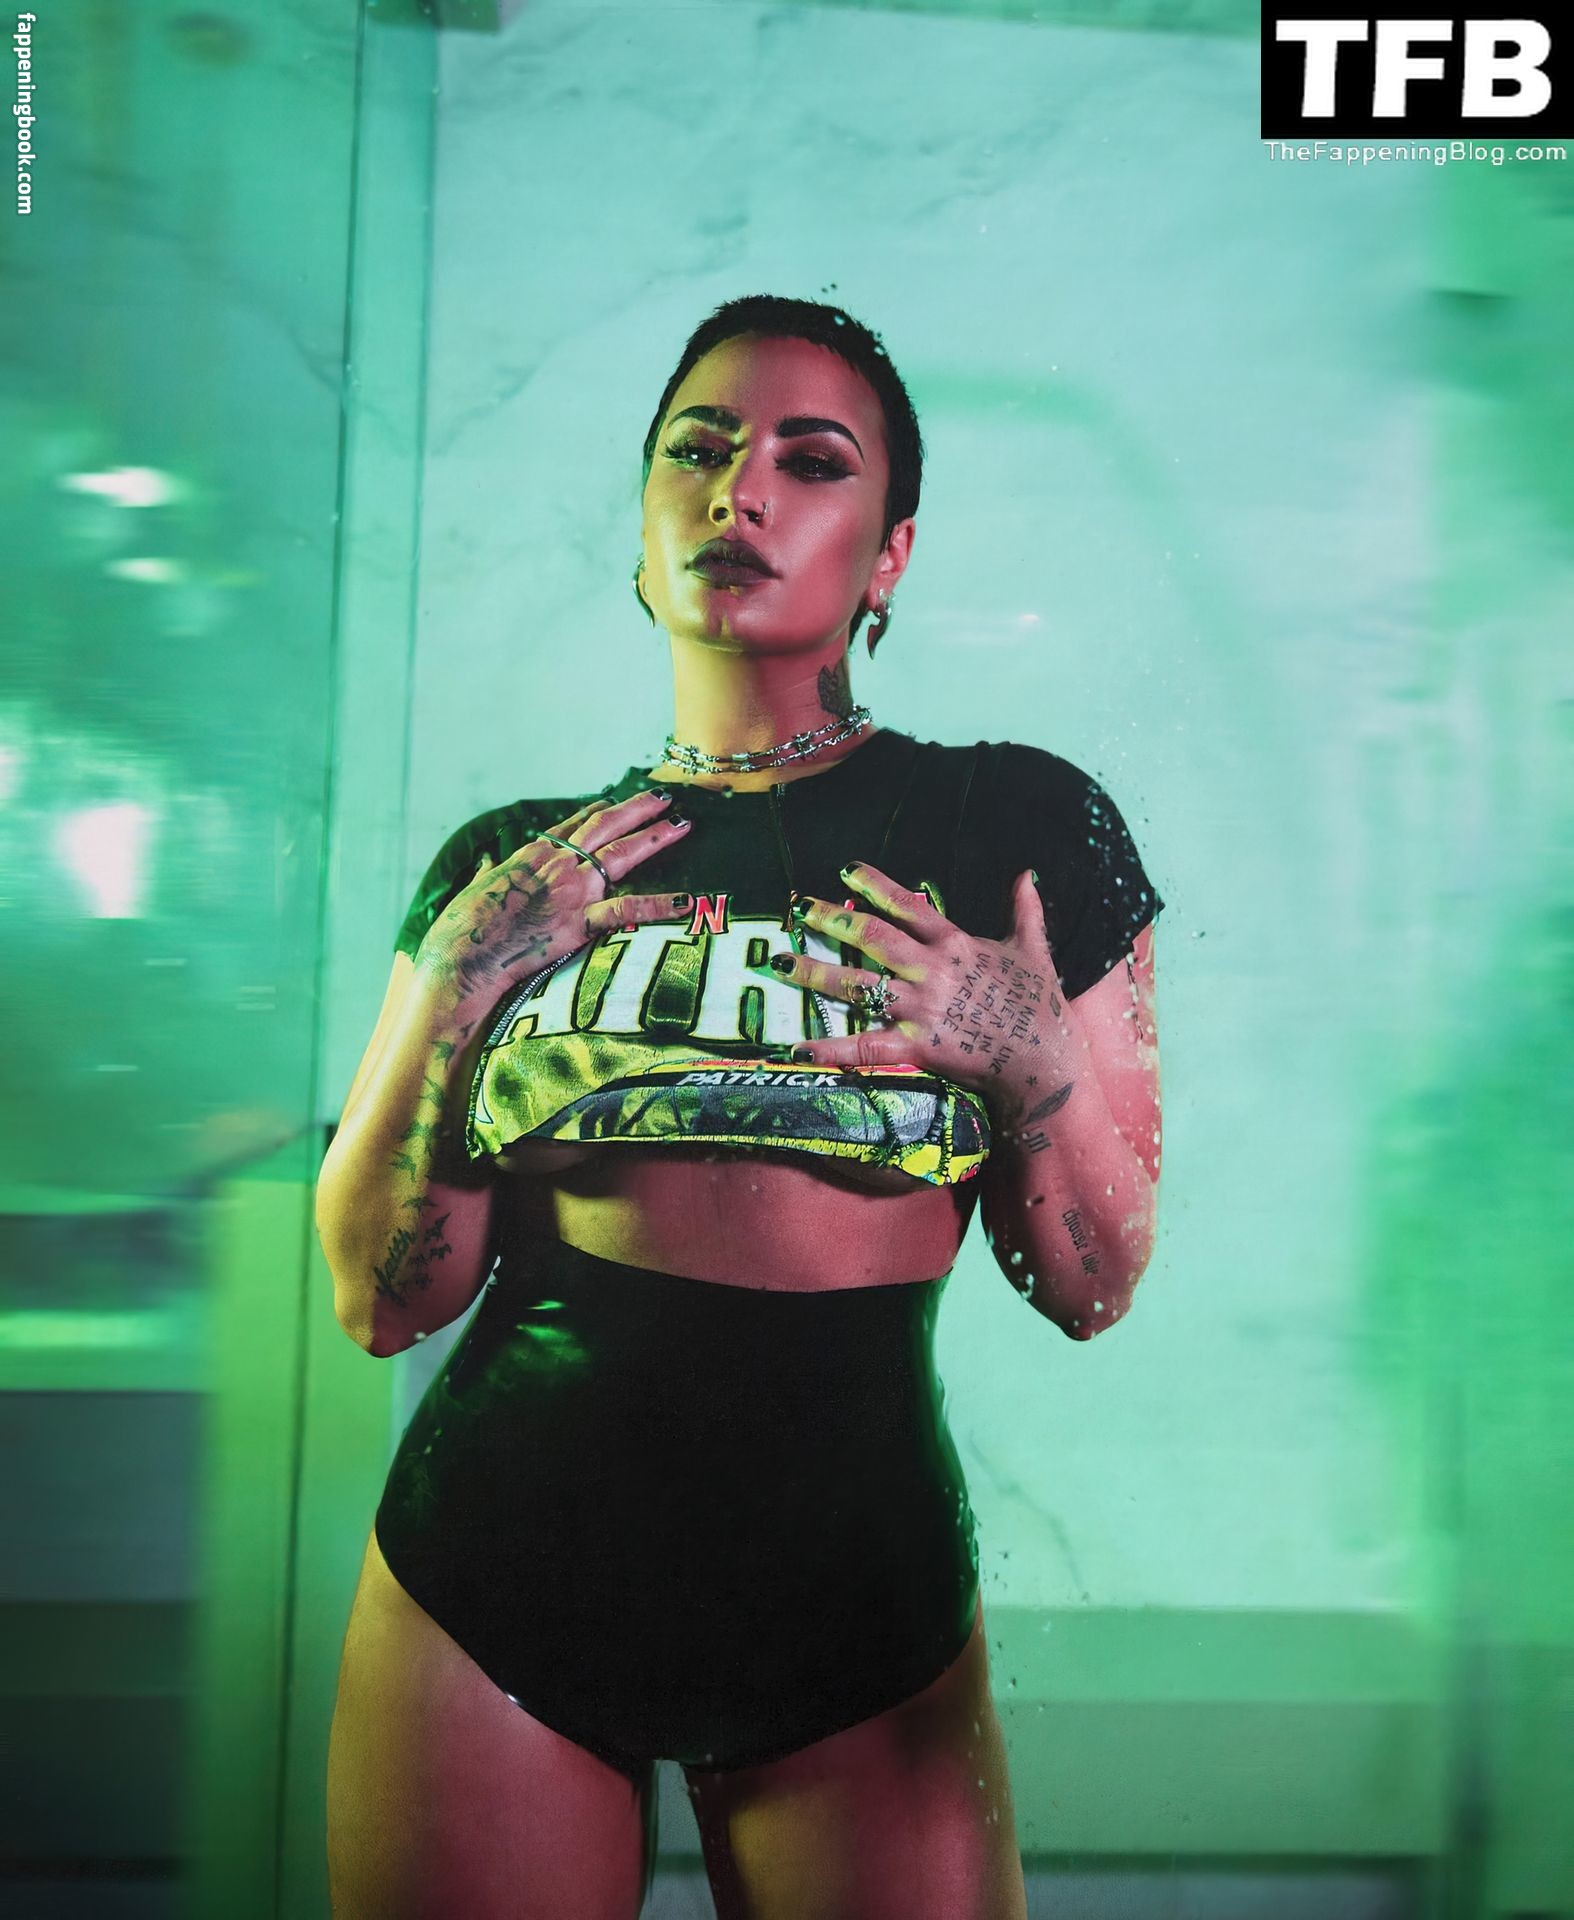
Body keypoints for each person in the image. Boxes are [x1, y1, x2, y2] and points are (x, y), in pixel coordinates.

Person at [316, 294, 1165, 1920]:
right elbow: (379, 1298)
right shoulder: (514, 863)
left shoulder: (1015, 822)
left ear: (890, 553)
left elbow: (1092, 1284)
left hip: (859, 1604)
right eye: (695, 451)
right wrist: (454, 986)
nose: (739, 491)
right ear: (643, 532)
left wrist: (1027, 1062)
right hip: (491, 1574)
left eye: (809, 460)